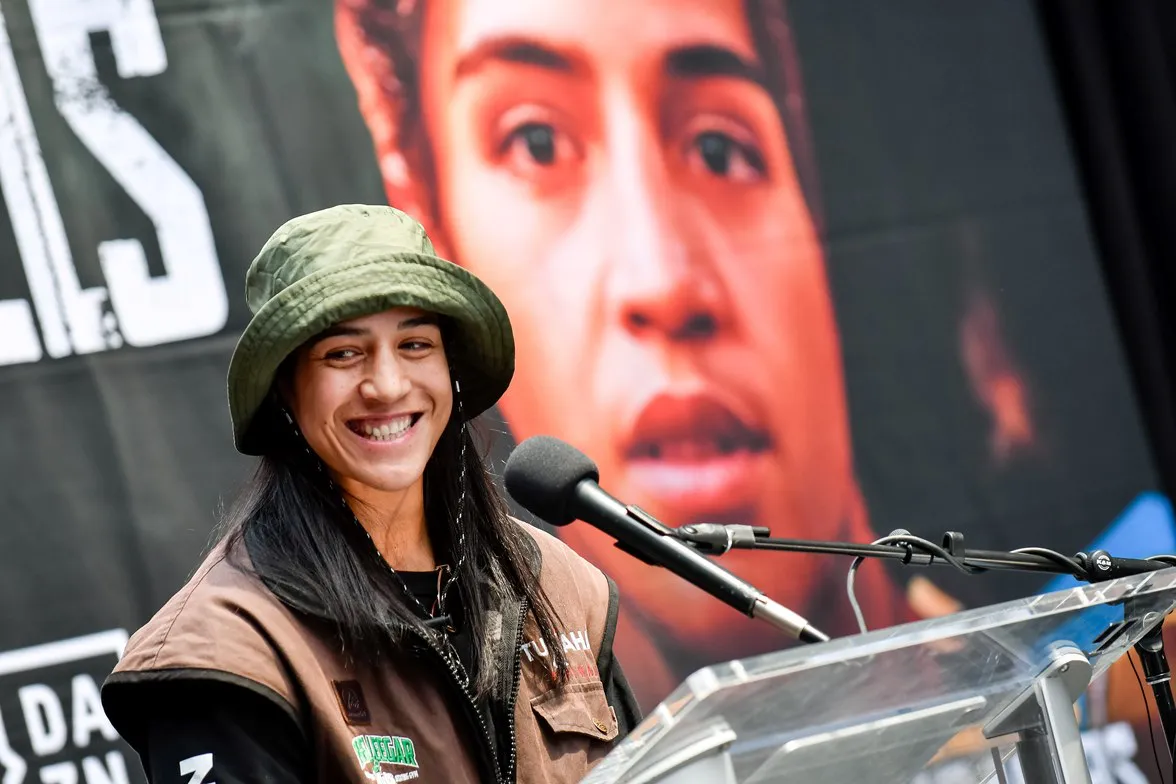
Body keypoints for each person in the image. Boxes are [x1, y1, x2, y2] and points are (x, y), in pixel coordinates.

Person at [334, 0, 930, 707]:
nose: (666, 284)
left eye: (718, 148)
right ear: (441, 239)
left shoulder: (1083, 678)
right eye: (537, 143)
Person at [101, 204, 640, 784]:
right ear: (284, 389)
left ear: (450, 369)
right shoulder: (227, 652)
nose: (386, 385)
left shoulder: (558, 583)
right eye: (343, 353)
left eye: (415, 345)